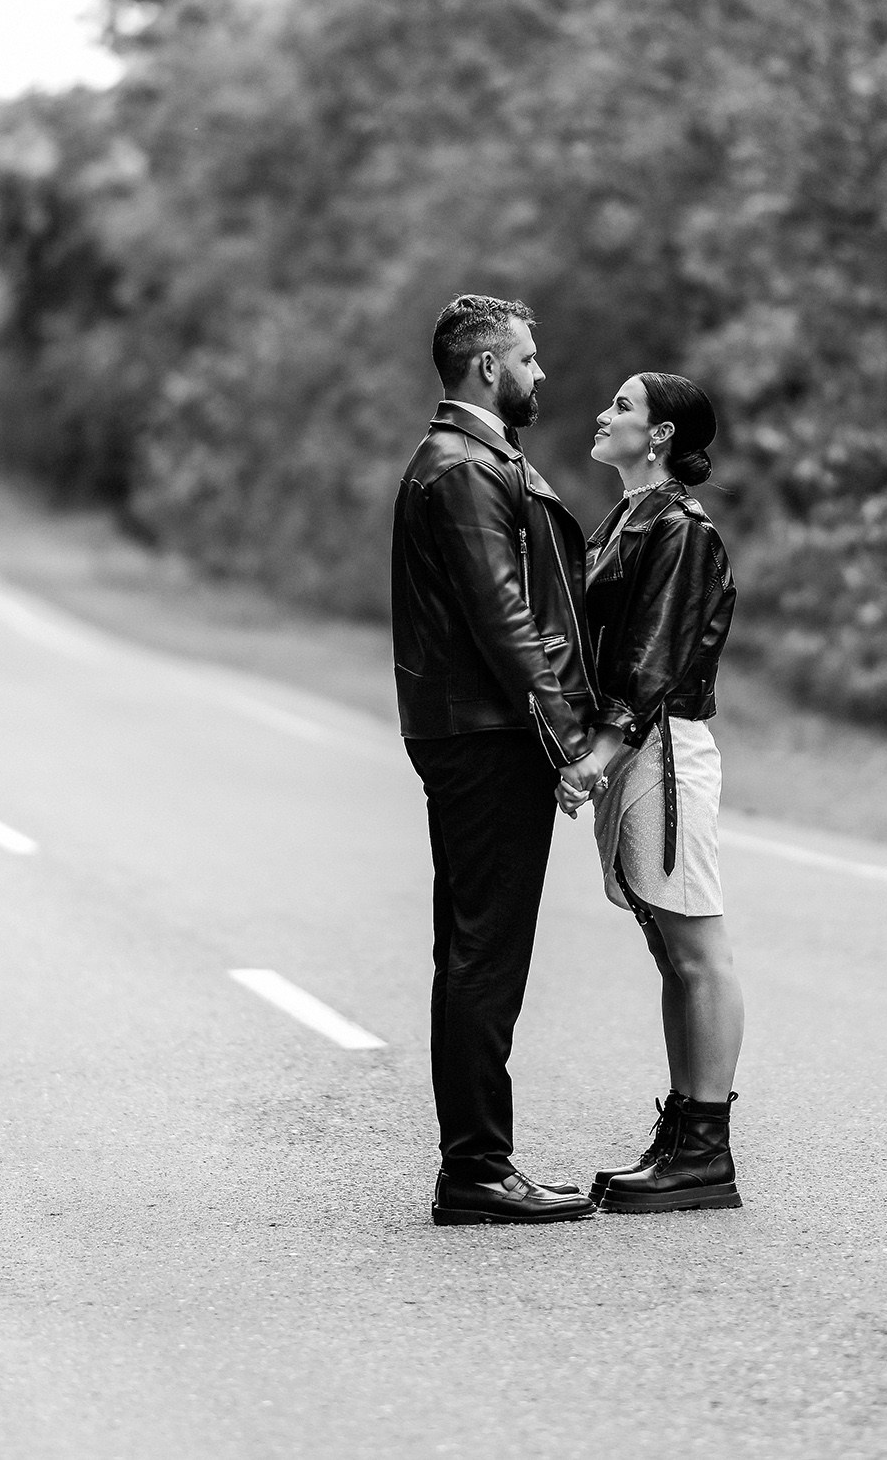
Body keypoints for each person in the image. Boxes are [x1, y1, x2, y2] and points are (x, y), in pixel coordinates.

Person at [390, 294, 599, 1226]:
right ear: (486, 368)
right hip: (485, 732)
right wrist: (566, 735)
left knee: (476, 946)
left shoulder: (473, 458)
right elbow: (504, 616)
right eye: (527, 357)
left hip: (478, 727)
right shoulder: (462, 468)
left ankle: (476, 1162)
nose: (540, 373)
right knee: (484, 951)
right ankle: (477, 1168)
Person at [559, 373, 744, 1213]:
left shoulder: (680, 527)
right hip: (636, 745)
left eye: (623, 406)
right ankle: (682, 1136)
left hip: (661, 747)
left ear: (661, 433)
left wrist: (603, 748)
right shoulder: (624, 519)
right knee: (669, 951)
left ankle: (706, 1151)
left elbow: (653, 654)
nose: (605, 413)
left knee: (697, 949)